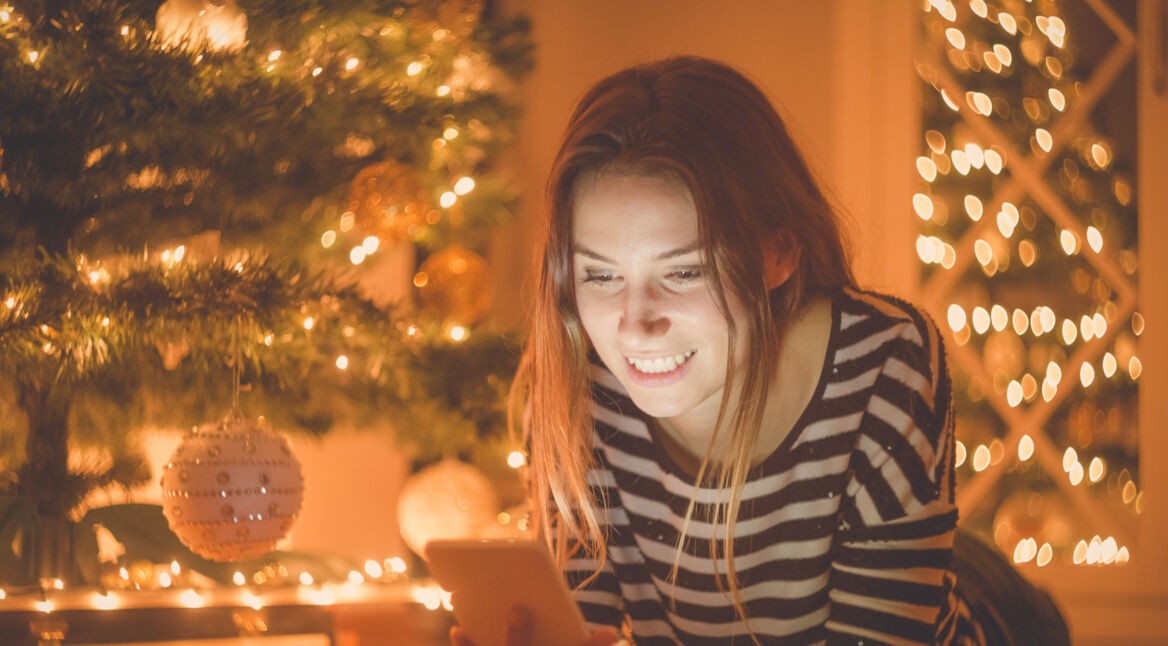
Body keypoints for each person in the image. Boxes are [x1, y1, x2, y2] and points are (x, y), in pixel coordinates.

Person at [486, 55, 980, 645]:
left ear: (778, 253)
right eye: (600, 277)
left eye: (685, 272)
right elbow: (582, 617)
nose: (636, 327)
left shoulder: (884, 363)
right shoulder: (578, 381)